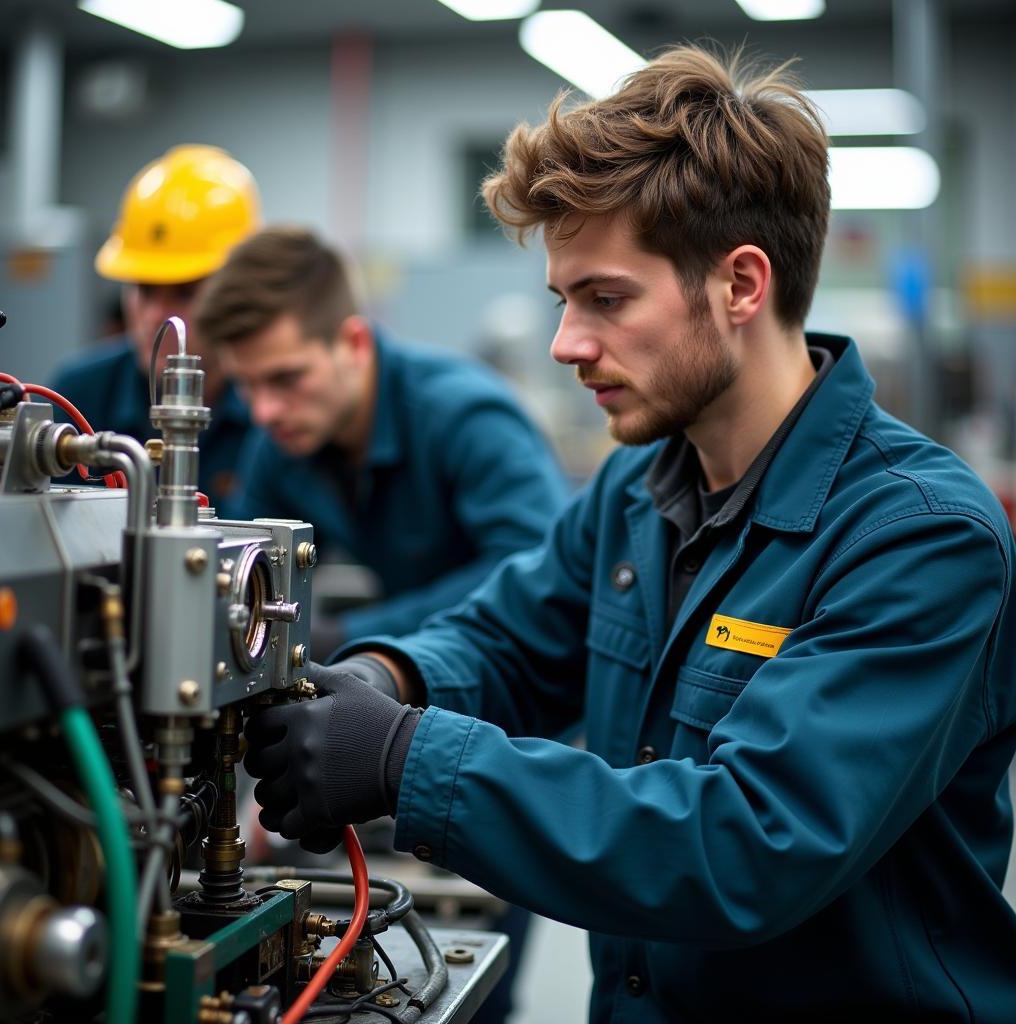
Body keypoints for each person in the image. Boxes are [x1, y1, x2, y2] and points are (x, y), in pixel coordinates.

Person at [242, 45, 1016, 1023]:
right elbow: (509, 637)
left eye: (605, 299)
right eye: (564, 301)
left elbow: (746, 842)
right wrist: (385, 678)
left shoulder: (919, 537)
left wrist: (405, 759)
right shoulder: (637, 491)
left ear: (740, 284)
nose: (566, 343)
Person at [194, 225, 570, 648]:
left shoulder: (463, 415)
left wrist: (350, 636)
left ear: (354, 343)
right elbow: (246, 573)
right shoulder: (282, 440)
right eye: (246, 384)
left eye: (287, 378)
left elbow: (539, 568)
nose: (263, 411)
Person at [49, 145, 259, 516]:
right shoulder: (79, 394)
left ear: (238, 291)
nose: (155, 316)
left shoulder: (271, 409)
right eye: (144, 290)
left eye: (185, 292)